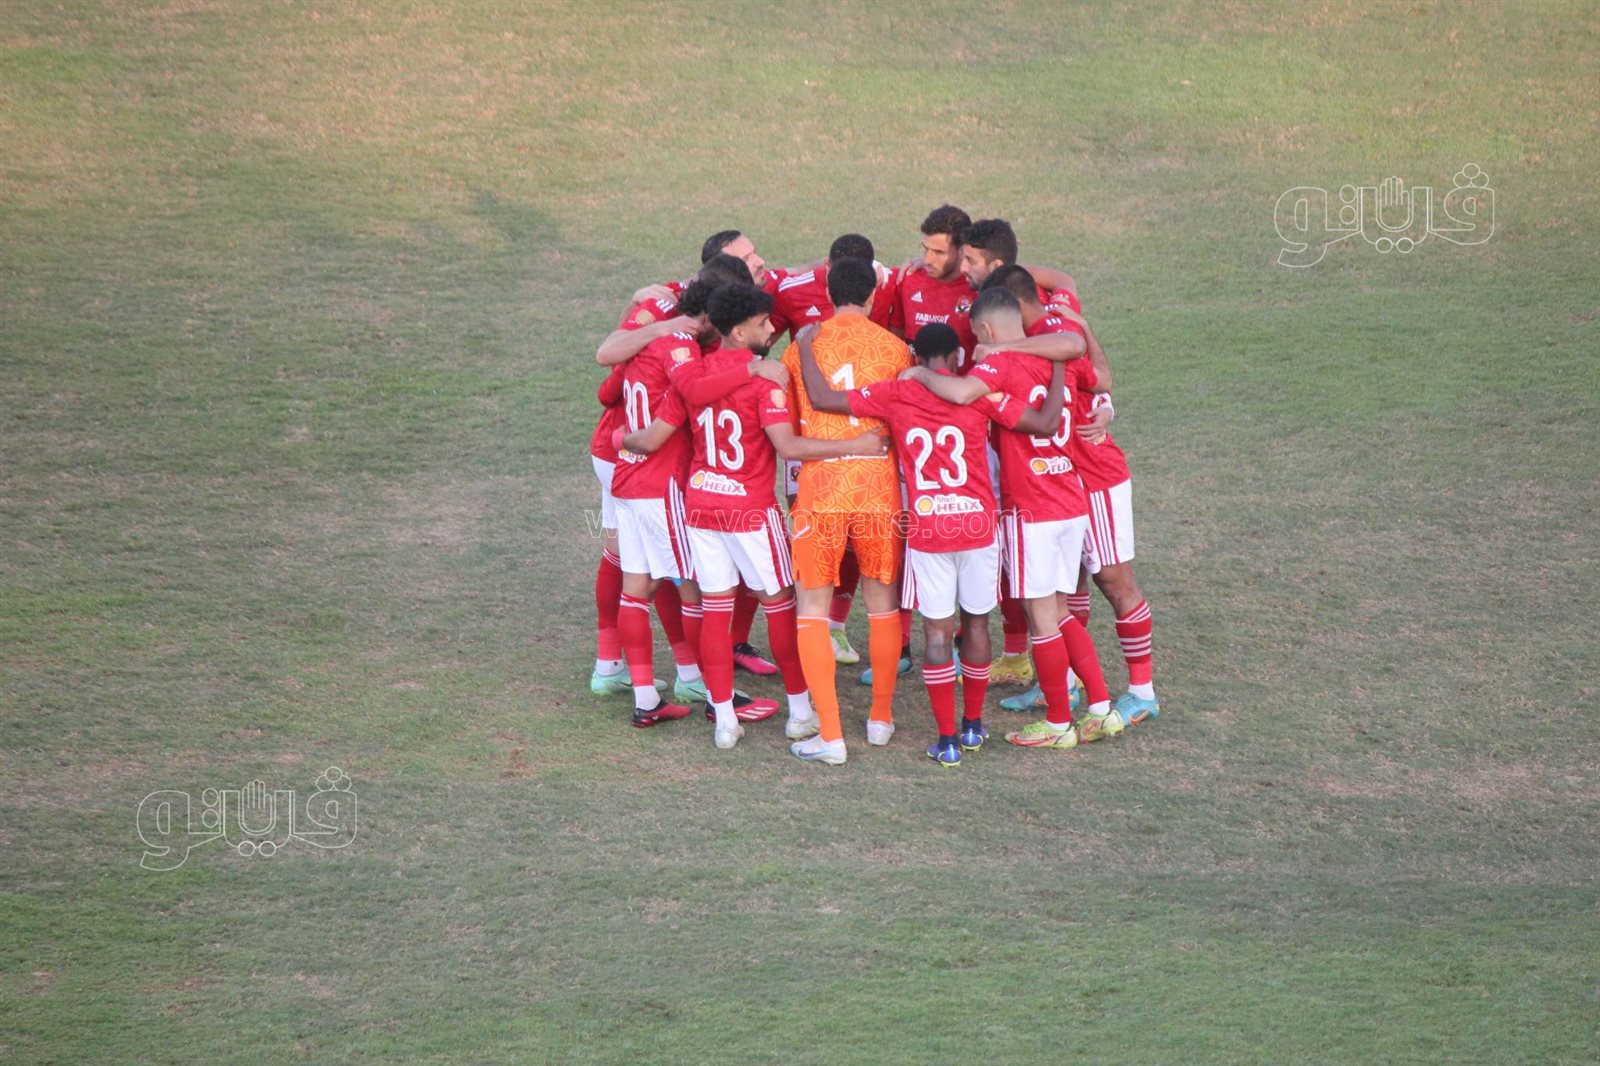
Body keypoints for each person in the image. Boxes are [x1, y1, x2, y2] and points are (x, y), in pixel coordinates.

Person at [799, 322, 1066, 766]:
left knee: (937, 634)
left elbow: (823, 398)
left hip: (929, 532)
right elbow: (1044, 422)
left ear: (916, 359)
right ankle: (974, 725)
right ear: (957, 357)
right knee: (976, 625)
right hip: (978, 528)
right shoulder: (978, 393)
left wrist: (805, 346)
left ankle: (946, 740)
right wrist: (1058, 367)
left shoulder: (895, 393)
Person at [654, 283, 887, 748]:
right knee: (782, 606)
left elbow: (666, 425)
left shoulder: (696, 375)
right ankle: (800, 713)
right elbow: (788, 446)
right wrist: (855, 444)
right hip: (748, 510)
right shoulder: (765, 381)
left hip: (701, 506)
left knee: (715, 611)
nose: (770, 330)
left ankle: (724, 720)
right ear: (739, 333)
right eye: (763, 324)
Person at [906, 287, 1121, 750]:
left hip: (1031, 506)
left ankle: (1058, 722)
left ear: (984, 329)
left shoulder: (1000, 364)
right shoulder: (1059, 355)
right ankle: (1102, 707)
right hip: (1070, 499)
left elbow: (961, 391)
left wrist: (918, 373)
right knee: (1060, 613)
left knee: (1043, 620)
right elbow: (1101, 378)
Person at [780, 258, 913, 765]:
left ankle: (830, 735)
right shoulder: (896, 349)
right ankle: (880, 719)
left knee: (812, 610)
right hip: (878, 487)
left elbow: (791, 427)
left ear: (828, 295)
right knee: (882, 604)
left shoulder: (799, 349)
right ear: (873, 297)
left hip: (822, 489)